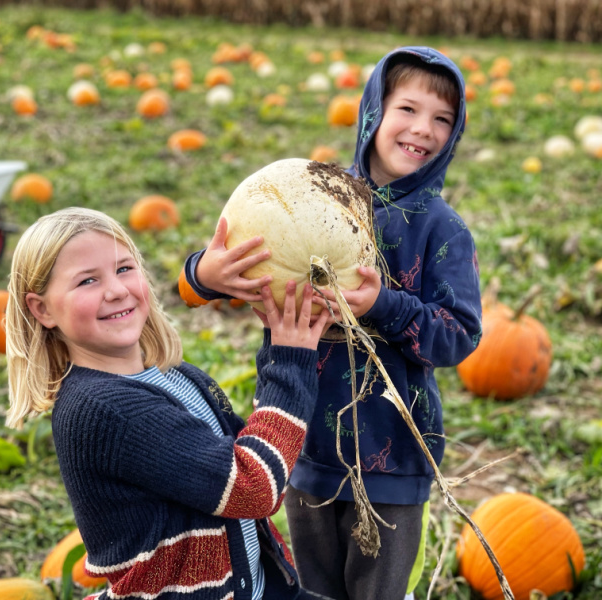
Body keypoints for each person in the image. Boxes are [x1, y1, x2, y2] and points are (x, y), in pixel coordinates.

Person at [183, 46, 482, 600]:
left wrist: (383, 306)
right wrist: (204, 271)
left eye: (443, 119)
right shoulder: (313, 195)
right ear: (373, 111)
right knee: (313, 591)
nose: (424, 129)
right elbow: (222, 275)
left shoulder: (444, 230)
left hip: (391, 461)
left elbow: (458, 336)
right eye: (408, 110)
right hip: (303, 446)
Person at [4, 206, 331, 600]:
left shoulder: (176, 376)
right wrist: (289, 362)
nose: (116, 290)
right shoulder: (105, 408)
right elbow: (252, 487)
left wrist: (281, 345)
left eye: (124, 268)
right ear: (42, 309)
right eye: (88, 280)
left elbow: (258, 463)